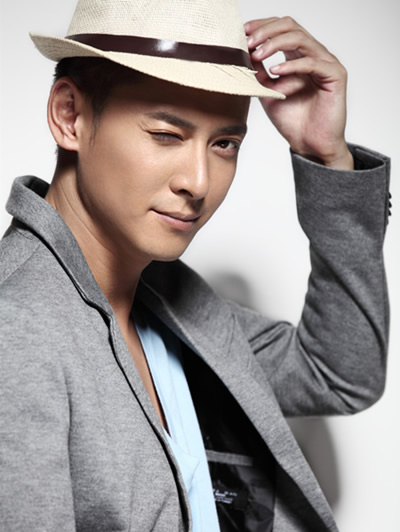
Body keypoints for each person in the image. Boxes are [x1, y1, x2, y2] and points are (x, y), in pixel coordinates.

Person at [0, 0, 391, 531]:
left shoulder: (170, 303)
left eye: (225, 143)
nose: (199, 182)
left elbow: (338, 375)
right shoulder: (17, 330)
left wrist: (326, 160)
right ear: (69, 115)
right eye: (166, 134)